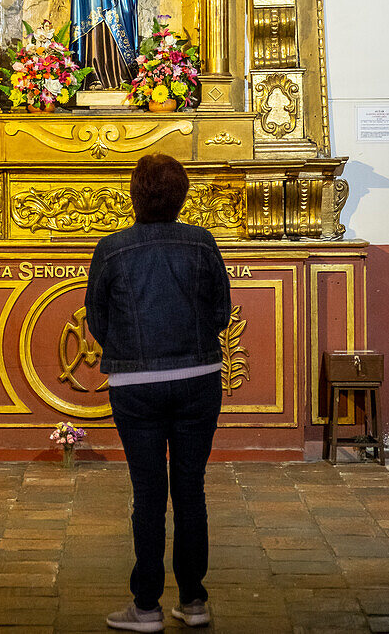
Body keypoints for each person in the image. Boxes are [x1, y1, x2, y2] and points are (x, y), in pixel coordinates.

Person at [86, 154, 231, 631]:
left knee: (147, 494)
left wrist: (129, 353)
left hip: (136, 385)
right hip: (198, 378)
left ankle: (145, 606)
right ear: (182, 195)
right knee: (191, 491)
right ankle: (194, 602)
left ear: (134, 195)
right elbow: (219, 310)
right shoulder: (202, 242)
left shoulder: (112, 248)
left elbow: (98, 318)